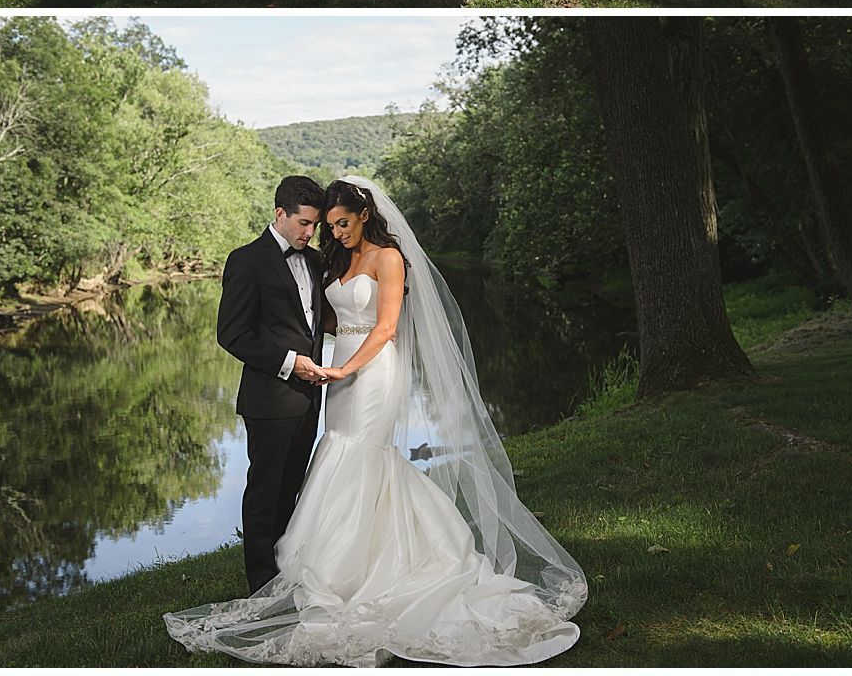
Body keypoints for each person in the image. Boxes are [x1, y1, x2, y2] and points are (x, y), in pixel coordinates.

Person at [164, 177, 587, 667]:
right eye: (318, 224)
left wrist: (348, 361)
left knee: (356, 459)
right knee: (309, 469)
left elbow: (383, 325)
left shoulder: (375, 258)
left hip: (366, 373)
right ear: (281, 214)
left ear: (364, 214)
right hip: (313, 380)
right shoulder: (284, 259)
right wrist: (310, 356)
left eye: (335, 224)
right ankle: (282, 576)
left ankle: (357, 567)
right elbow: (282, 324)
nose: (326, 233)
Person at [215, 174, 326, 594]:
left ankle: (286, 571)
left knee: (291, 489)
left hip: (309, 399)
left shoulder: (314, 260)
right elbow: (233, 334)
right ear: (280, 213)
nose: (309, 232)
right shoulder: (246, 260)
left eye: (315, 224)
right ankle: (261, 584)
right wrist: (290, 363)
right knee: (265, 493)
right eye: (303, 223)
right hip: (269, 398)